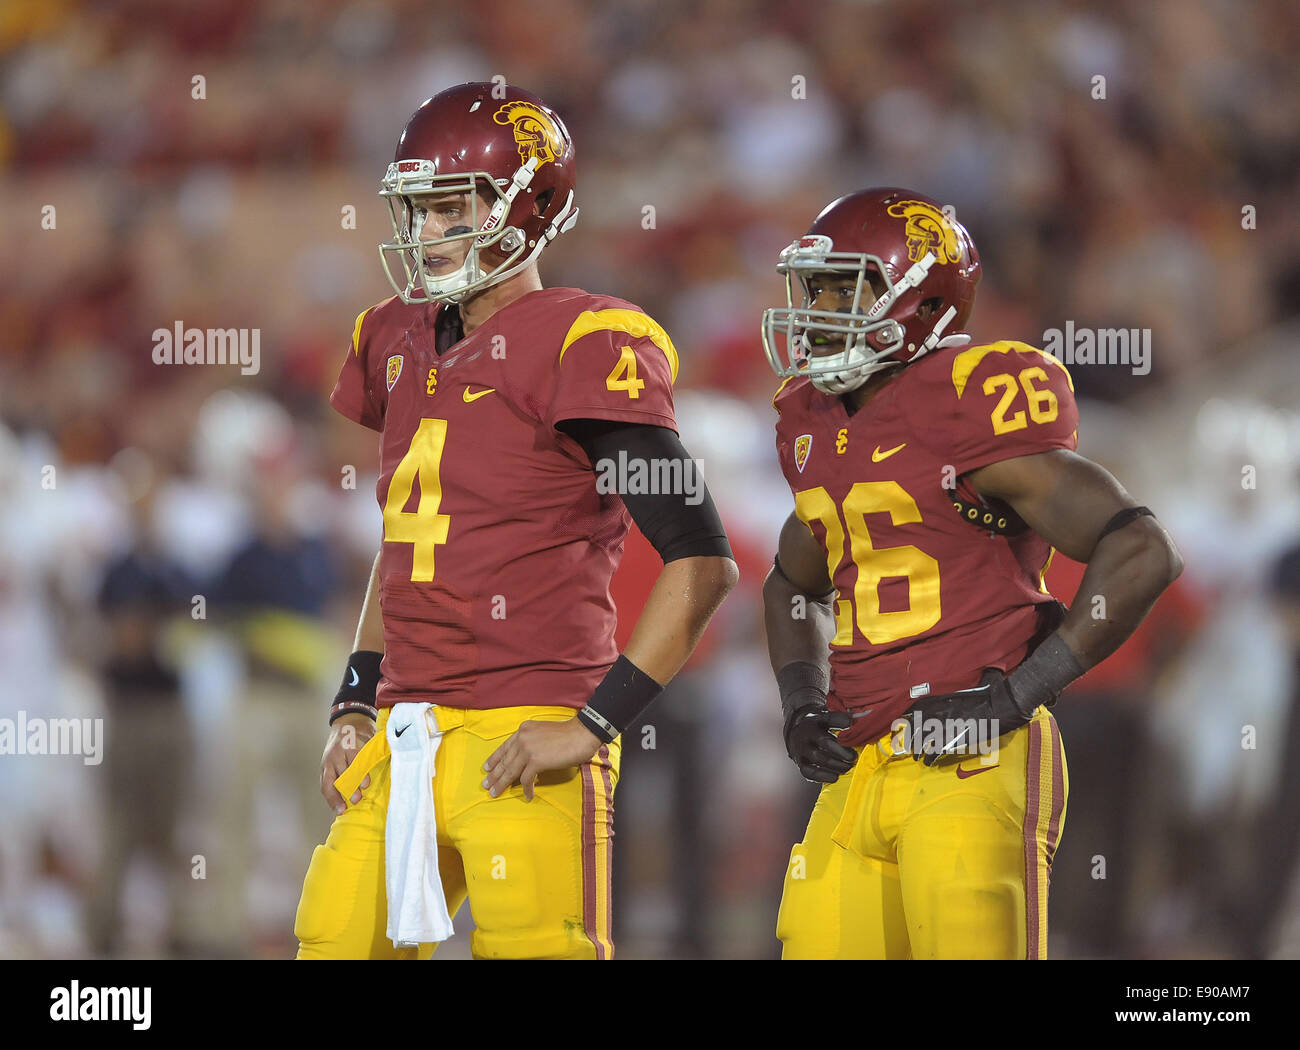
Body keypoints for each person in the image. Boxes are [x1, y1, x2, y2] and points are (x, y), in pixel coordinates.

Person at [293, 83, 737, 960]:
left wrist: (596, 722)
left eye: (450, 208)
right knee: (330, 941)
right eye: (417, 210)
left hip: (530, 728)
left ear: (526, 208)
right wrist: (355, 698)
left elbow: (700, 558)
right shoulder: (392, 336)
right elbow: (407, 548)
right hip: (406, 730)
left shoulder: (585, 342)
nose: (426, 234)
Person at [759, 187, 1183, 959]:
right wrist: (801, 700)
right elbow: (792, 582)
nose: (814, 311)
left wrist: (1020, 694)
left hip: (971, 760)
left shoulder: (972, 399)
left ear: (917, 300)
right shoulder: (815, 421)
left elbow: (1142, 550)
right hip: (858, 764)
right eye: (811, 289)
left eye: (837, 289)